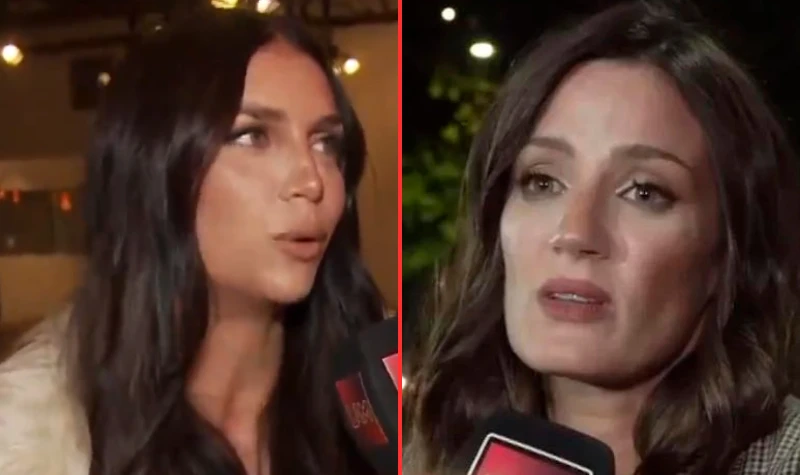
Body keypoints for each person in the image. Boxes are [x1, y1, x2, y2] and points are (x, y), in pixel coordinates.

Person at [403, 2, 800, 474]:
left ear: (727, 253)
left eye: (644, 192)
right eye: (542, 181)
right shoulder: (426, 452)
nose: (574, 233)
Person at [0, 8, 386, 475]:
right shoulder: (38, 444)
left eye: (325, 143)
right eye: (252, 136)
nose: (312, 181)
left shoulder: (387, 412)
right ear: (154, 168)